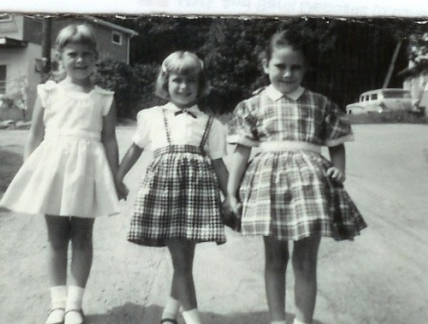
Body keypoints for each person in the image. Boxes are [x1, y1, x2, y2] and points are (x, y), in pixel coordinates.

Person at [225, 29, 367, 324]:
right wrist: (231, 192)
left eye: (296, 67)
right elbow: (241, 152)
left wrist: (339, 168)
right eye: (280, 66)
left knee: (305, 261)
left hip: (310, 187)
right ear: (266, 64)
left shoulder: (321, 104)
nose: (288, 74)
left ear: (305, 68)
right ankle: (278, 320)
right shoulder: (252, 105)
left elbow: (336, 145)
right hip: (267, 187)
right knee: (275, 259)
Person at [0, 24, 122, 324]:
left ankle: (74, 305)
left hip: (87, 172)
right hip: (53, 171)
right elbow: (34, 135)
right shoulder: (49, 91)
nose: (79, 60)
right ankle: (57, 304)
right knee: (56, 239)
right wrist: (31, 174)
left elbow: (109, 140)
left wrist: (115, 178)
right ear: (60, 57)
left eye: (86, 54)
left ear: (96, 57)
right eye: (72, 54)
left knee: (82, 237)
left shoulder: (104, 97)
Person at [115, 51, 229, 324]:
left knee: (183, 263)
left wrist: (231, 196)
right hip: (164, 195)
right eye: (177, 80)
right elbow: (135, 149)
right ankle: (192, 319)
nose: (184, 86)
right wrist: (117, 178)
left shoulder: (210, 124)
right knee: (181, 262)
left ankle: (169, 313)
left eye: (191, 81)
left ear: (200, 84)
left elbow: (219, 165)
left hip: (195, 197)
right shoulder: (152, 116)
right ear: (166, 82)